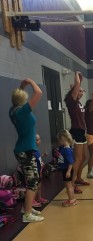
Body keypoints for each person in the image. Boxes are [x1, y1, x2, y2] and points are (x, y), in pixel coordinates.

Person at [9, 78, 44, 222]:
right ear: (23, 100)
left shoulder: (13, 110)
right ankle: (27, 214)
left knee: (34, 179)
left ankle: (26, 207)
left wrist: (22, 87)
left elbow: (17, 97)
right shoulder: (23, 111)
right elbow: (38, 92)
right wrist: (30, 81)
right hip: (26, 150)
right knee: (33, 182)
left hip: (24, 148)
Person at [64, 72, 89, 194]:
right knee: (78, 159)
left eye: (82, 91)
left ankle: (78, 179)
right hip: (76, 132)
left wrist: (80, 81)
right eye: (80, 90)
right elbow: (77, 84)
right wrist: (77, 75)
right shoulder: (71, 101)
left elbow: (78, 85)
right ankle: (72, 184)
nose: (82, 92)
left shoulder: (78, 102)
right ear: (74, 91)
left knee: (84, 157)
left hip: (82, 132)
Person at [57, 130, 77, 207]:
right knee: (67, 185)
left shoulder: (67, 150)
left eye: (59, 140)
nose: (59, 142)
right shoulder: (64, 148)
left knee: (69, 185)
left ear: (63, 138)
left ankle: (72, 200)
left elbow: (71, 162)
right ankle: (71, 199)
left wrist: (68, 171)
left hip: (67, 170)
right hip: (64, 169)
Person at [32, 134, 49, 207]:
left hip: (39, 171)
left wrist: (43, 155)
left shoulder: (36, 151)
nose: (39, 141)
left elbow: (38, 159)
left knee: (39, 185)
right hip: (35, 172)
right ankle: (32, 200)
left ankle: (39, 198)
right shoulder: (32, 152)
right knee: (35, 187)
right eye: (37, 139)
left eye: (39, 139)